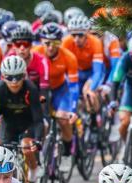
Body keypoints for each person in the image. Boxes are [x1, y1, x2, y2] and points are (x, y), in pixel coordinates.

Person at [32, 23, 79, 172]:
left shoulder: (69, 57)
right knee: (41, 120)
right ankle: (40, 154)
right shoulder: (35, 53)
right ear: (41, 41)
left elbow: (74, 87)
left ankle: (66, 153)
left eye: (55, 43)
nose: (51, 47)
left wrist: (72, 109)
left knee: (63, 119)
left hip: (60, 90)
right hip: (41, 90)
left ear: (60, 42)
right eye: (47, 43)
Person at [0, 56, 44, 183]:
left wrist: (38, 139)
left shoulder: (30, 88)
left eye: (18, 77)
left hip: (28, 122)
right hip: (9, 123)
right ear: (3, 77)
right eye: (10, 78)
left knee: (26, 147)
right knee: (3, 154)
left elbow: (38, 119)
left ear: (24, 76)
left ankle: (33, 171)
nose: (14, 82)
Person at [62, 16, 105, 113]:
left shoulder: (96, 42)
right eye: (73, 35)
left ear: (87, 34)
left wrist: (91, 89)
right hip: (77, 72)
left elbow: (97, 72)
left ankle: (95, 116)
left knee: (87, 92)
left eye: (80, 35)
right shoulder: (66, 42)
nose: (76, 39)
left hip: (92, 72)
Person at [4, 25, 49, 98]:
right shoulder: (8, 59)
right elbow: (3, 86)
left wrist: (42, 103)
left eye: (26, 44)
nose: (22, 48)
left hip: (36, 93)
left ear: (31, 45)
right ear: (13, 46)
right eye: (18, 44)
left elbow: (44, 90)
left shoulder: (41, 61)